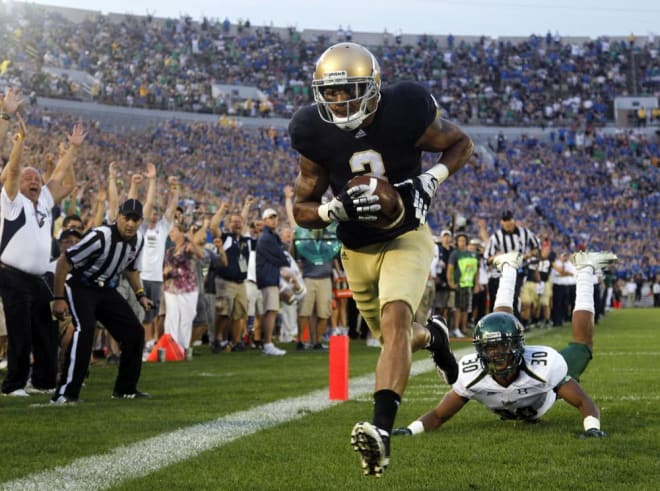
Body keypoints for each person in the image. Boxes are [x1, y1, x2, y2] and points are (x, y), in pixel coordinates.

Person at [288, 42, 473, 476]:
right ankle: (437, 339)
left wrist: (430, 179)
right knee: (400, 336)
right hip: (355, 249)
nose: (339, 100)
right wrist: (333, 210)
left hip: (406, 234)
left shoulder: (405, 108)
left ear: (372, 86)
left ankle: (382, 433)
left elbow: (461, 143)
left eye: (348, 89)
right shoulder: (310, 130)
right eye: (330, 93)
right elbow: (301, 209)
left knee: (394, 324)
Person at [393, 250, 617, 438]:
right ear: (480, 351)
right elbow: (439, 415)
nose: (498, 354)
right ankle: (509, 267)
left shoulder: (544, 366)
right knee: (497, 328)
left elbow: (583, 402)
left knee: (581, 345)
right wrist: (410, 431)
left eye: (504, 347)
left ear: (520, 346)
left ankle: (585, 269)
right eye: (490, 348)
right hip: (530, 397)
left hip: (547, 394)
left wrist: (592, 428)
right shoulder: (471, 375)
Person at [0, 118, 85, 396]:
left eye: (36, 177)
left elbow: (62, 178)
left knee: (45, 330)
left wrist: (72, 150)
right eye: (28, 178)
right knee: (19, 331)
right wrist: (20, 142)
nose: (33, 180)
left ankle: (43, 381)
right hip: (11, 274)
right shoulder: (12, 201)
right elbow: (12, 171)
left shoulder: (45, 201)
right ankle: (14, 384)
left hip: (38, 278)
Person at [51, 199, 153, 404]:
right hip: (80, 285)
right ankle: (65, 393)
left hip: (105, 288)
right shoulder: (100, 236)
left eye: (135, 219)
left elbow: (131, 269)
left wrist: (140, 294)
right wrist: (59, 297)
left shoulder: (138, 240)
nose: (131, 224)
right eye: (127, 218)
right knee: (85, 330)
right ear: (118, 217)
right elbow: (65, 261)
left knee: (134, 332)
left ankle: (125, 389)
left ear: (141, 221)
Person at [484, 209, 540, 325]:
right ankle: (504, 323)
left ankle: (516, 323)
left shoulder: (525, 233)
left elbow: (536, 248)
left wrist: (526, 255)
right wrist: (500, 257)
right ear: (501, 222)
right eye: (505, 220)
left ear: (514, 220)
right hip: (500, 273)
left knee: (514, 296)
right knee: (501, 298)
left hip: (519, 270)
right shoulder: (496, 237)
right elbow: (487, 258)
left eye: (509, 220)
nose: (507, 223)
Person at [255, 208, 289, 356]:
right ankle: (268, 344)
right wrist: (283, 260)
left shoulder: (270, 236)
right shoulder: (267, 237)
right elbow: (282, 258)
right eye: (270, 218)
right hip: (268, 277)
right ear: (264, 221)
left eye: (275, 217)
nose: (274, 220)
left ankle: (267, 343)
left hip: (269, 276)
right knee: (271, 310)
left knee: (271, 310)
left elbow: (281, 257)